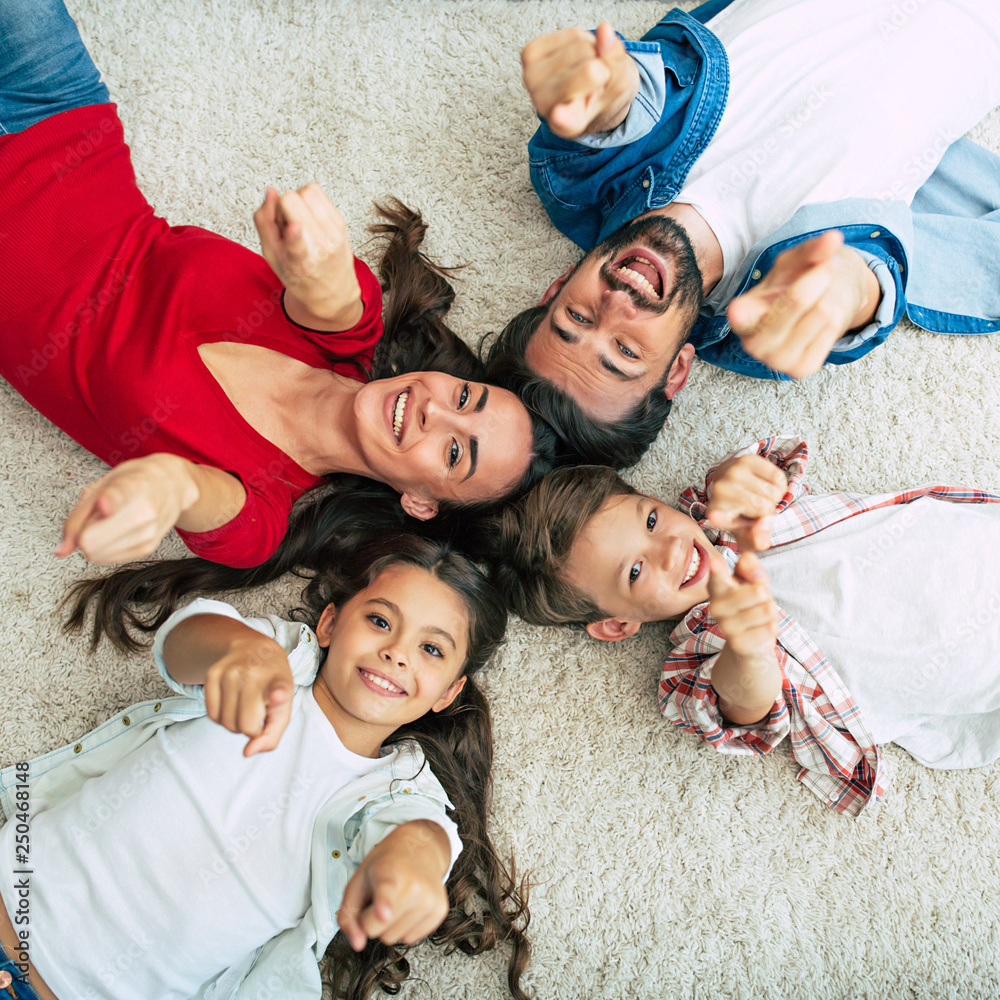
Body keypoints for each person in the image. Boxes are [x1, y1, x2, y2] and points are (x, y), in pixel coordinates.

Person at [0, 0, 555, 571]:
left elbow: (185, 490)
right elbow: (328, 291)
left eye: (456, 451)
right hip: (49, 110)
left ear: (420, 503)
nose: (435, 412)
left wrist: (158, 490)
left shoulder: (260, 517)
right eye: (464, 397)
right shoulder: (352, 328)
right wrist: (316, 261)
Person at [0, 535, 531, 999]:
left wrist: (408, 870)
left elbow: (425, 836)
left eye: (432, 649)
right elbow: (182, 643)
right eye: (378, 620)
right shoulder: (284, 660)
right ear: (329, 624)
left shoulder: (397, 789)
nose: (396, 652)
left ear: (449, 692)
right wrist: (240, 648)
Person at [484, 0, 1000, 466]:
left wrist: (601, 89)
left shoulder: (578, 182)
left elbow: (620, 108)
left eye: (576, 316)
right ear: (676, 371)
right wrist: (847, 290)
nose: (619, 303)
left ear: (555, 288)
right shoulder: (762, 323)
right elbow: (866, 283)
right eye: (625, 351)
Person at [492, 437, 1000, 815]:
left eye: (650, 521)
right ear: (616, 624)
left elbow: (767, 468)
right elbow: (742, 708)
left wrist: (743, 475)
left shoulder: (721, 517)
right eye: (635, 571)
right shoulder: (697, 652)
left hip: (962, 546)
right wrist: (750, 650)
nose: (670, 549)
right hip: (968, 657)